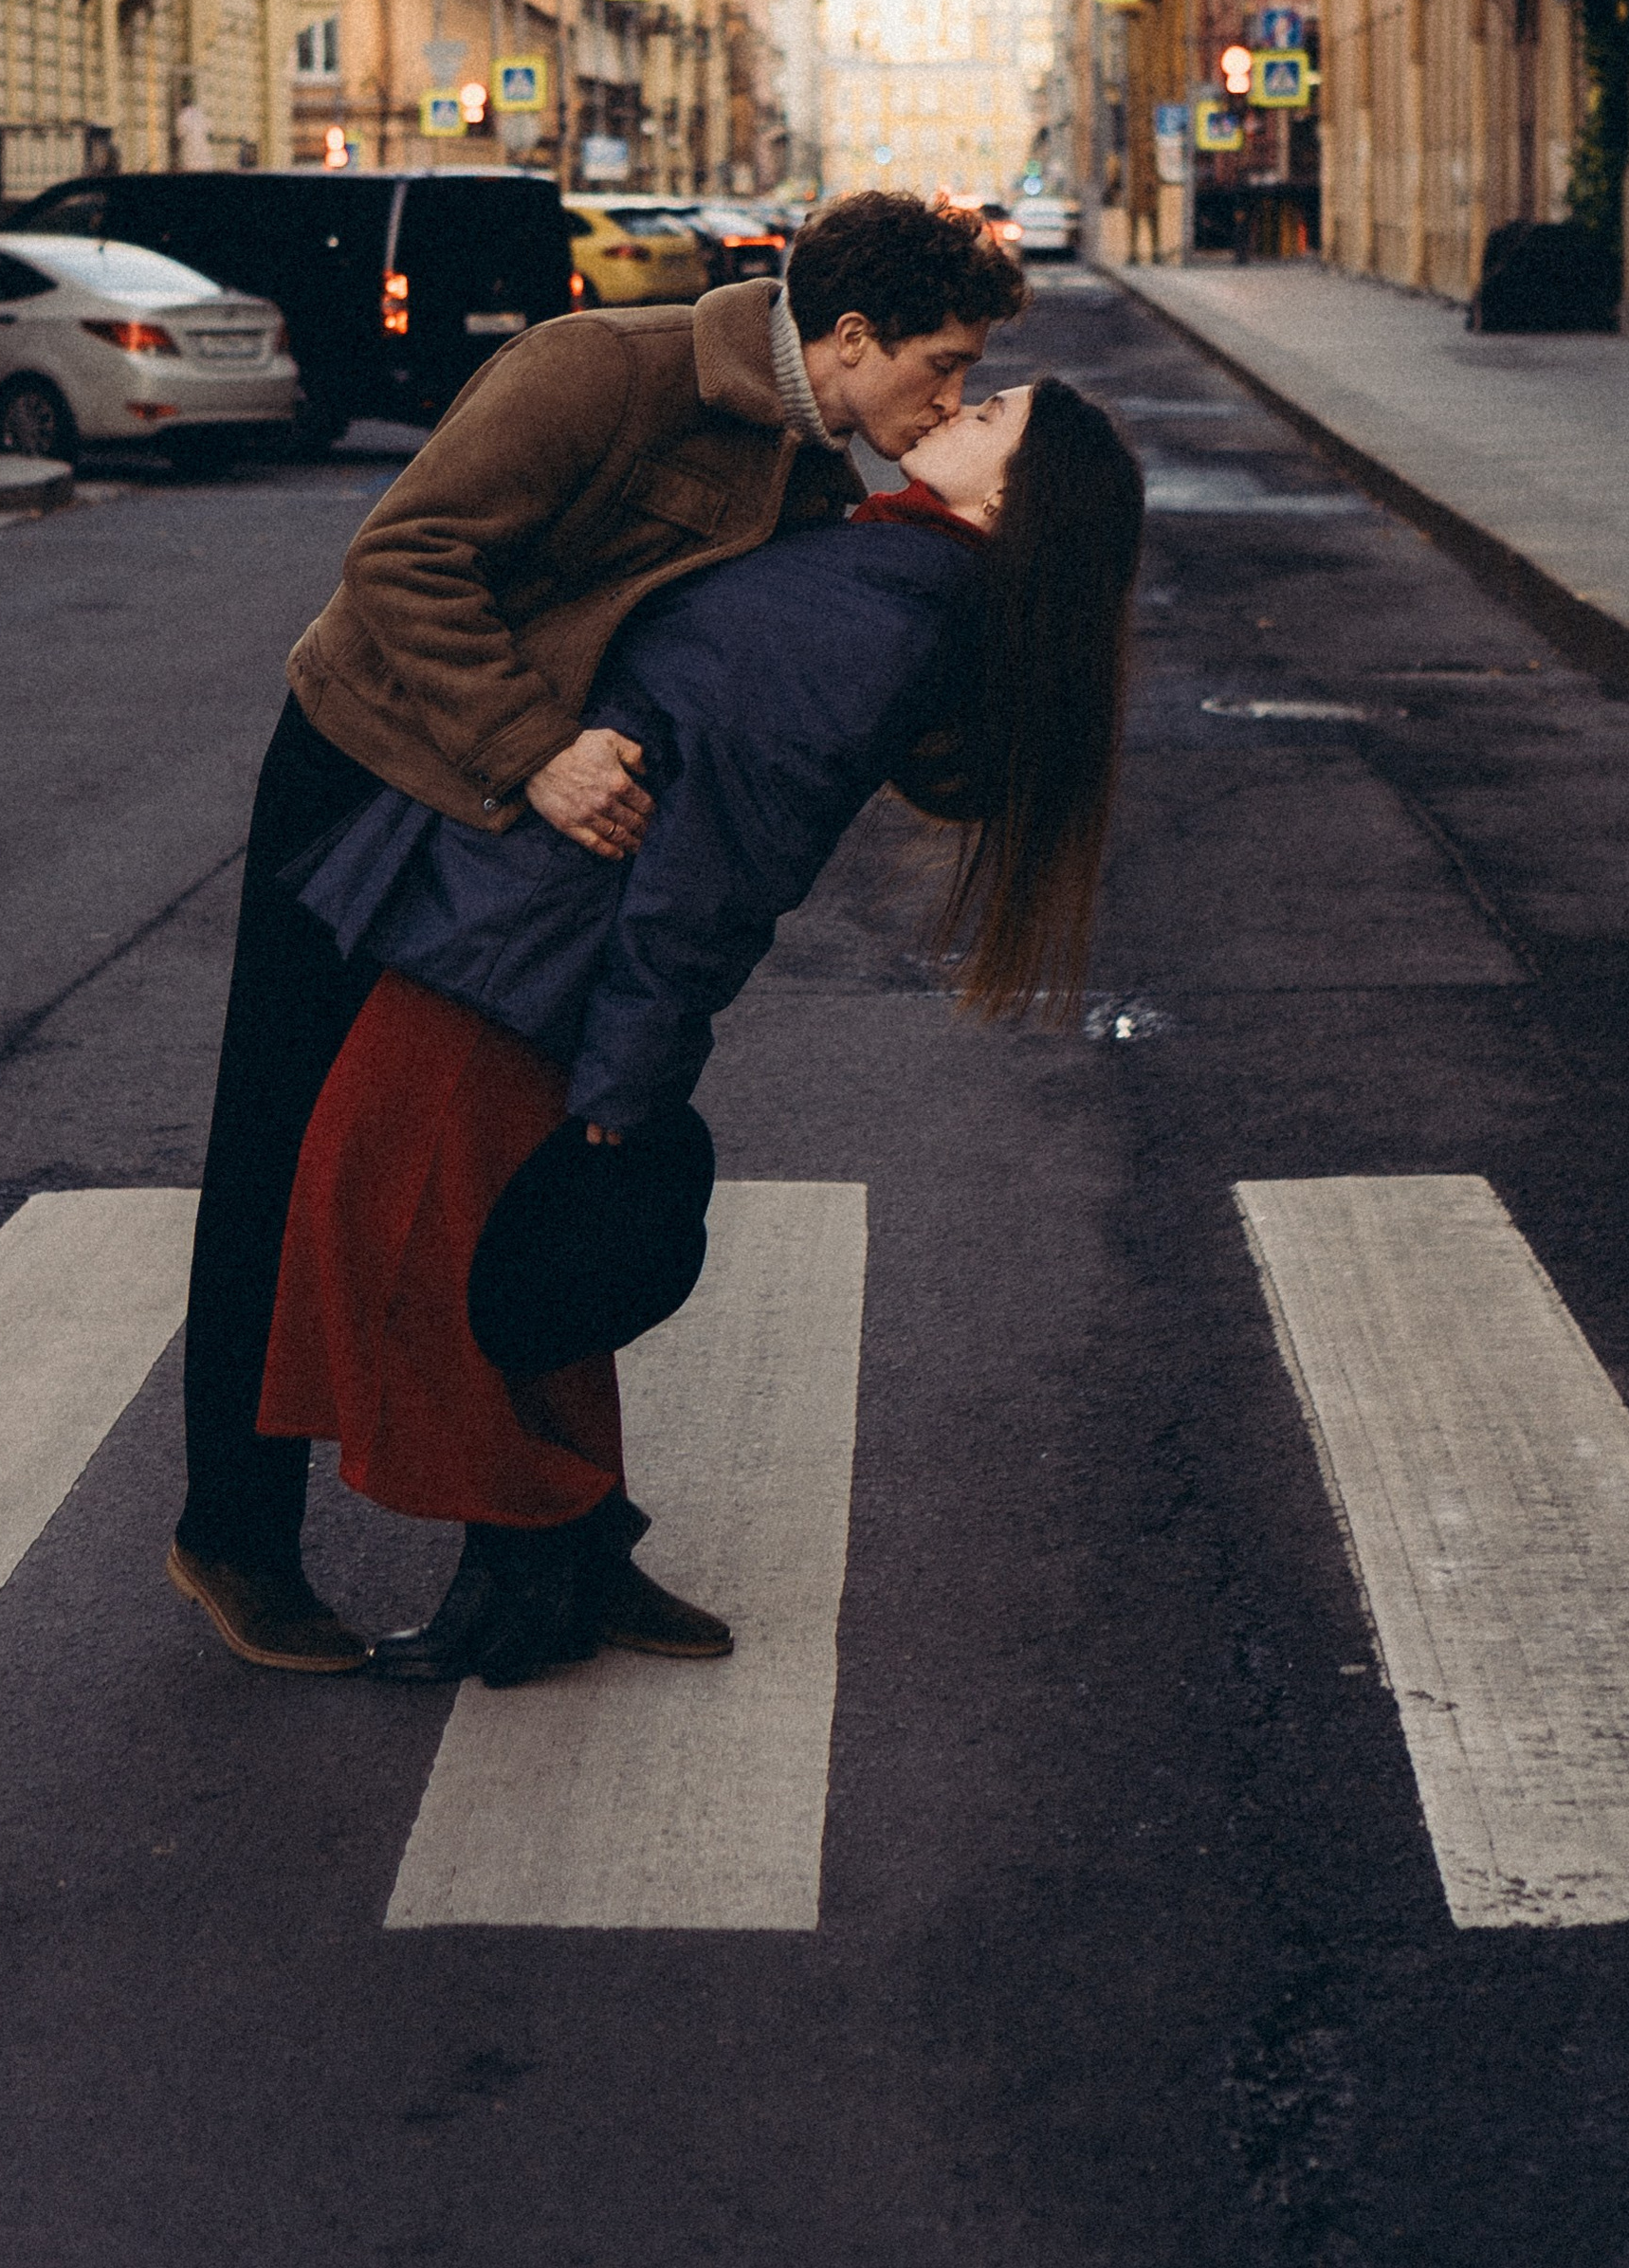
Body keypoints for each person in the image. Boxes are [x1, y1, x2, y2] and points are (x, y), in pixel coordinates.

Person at [168, 190, 1026, 1673]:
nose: (950, 398)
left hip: (523, 852)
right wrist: (535, 752)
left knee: (527, 1186)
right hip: (370, 771)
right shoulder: (604, 370)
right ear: (850, 335)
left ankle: (570, 1544)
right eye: (941, 365)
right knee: (282, 1153)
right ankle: (233, 1539)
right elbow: (401, 561)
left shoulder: (813, 473)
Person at [256, 372, 1147, 1688]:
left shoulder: (887, 616)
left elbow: (719, 866)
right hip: (529, 927)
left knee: (390, 1240)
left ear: (1012, 501)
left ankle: (533, 1551)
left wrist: (628, 1079)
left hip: (527, 946)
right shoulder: (890, 565)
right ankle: (580, 1549)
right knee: (493, 1251)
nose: (957, 404)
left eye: (990, 412)